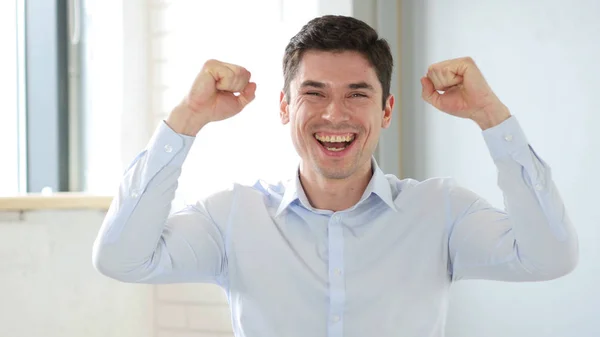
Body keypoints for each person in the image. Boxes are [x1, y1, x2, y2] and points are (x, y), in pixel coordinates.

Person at [92, 15, 578, 337]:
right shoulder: (234, 216)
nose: (335, 115)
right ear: (285, 107)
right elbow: (121, 258)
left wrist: (491, 115)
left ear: (386, 111)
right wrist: (187, 117)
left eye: (357, 95)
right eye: (315, 94)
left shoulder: (441, 212)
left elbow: (550, 256)